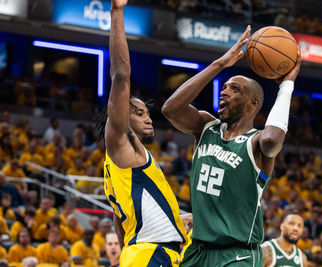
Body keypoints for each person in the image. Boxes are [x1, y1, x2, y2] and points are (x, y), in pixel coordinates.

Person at [162, 24, 301, 266]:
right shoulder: (206, 126)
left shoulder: (256, 142)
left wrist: (286, 85)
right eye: (224, 87)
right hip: (198, 248)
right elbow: (170, 109)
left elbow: (272, 139)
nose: (224, 92)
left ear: (252, 103)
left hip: (238, 254)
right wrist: (219, 64)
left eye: (234, 89)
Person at [94, 0, 189, 266]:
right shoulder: (120, 142)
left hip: (148, 253)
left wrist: (175, 221)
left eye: (147, 114)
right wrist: (117, 11)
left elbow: (119, 218)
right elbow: (121, 75)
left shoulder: (121, 163)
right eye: (138, 113)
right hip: (150, 254)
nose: (148, 119)